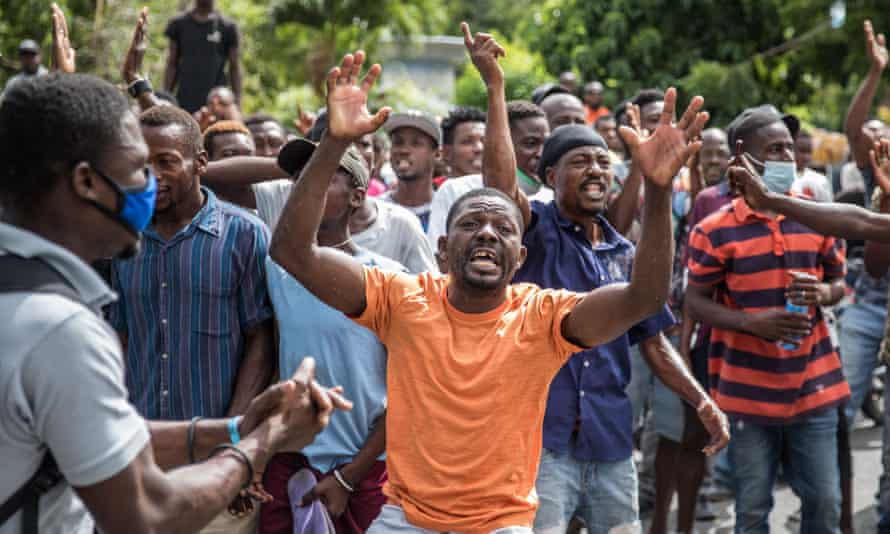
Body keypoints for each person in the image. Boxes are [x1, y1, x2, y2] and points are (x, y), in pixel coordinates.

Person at [274, 17, 713, 528]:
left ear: (520, 256)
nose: (487, 233)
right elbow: (292, 253)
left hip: (500, 523)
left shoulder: (543, 317)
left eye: (503, 227)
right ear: (442, 250)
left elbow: (643, 299)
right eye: (471, 224)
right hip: (407, 519)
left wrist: (658, 191)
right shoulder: (400, 298)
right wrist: (333, 146)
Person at [0, 70, 348, 534]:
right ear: (87, 182)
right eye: (136, 167)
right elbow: (148, 513)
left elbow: (102, 436)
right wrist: (266, 440)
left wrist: (232, 430)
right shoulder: (60, 331)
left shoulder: (28, 297)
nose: (150, 183)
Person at [467, 30, 727, 534]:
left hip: (611, 444)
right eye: (581, 161)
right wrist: (495, 89)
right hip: (542, 443)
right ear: (548, 177)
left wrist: (700, 398)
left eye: (604, 163)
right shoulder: (535, 235)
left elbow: (653, 340)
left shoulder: (627, 253)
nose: (596, 171)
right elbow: (499, 188)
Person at [685, 104, 849, 534]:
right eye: (774, 149)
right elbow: (694, 301)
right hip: (746, 395)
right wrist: (751, 322)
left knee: (824, 503)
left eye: (789, 150)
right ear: (744, 158)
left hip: (815, 386)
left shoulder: (815, 215)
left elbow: (839, 283)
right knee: (753, 509)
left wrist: (822, 294)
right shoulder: (714, 229)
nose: (786, 159)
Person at [261, 141, 402, 534]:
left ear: (358, 196)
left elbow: (408, 390)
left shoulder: (388, 278)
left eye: (324, 175)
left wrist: (348, 478)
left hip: (365, 466)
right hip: (291, 460)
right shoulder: (275, 270)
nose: (307, 185)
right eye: (300, 178)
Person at [109, 104, 275, 423]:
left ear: (200, 163)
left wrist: (233, 428)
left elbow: (262, 338)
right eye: (142, 163)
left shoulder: (244, 235)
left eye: (166, 162)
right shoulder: (123, 237)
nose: (152, 176)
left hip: (217, 439)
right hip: (143, 436)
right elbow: (122, 334)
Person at [427, 100, 553, 249]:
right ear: (502, 146)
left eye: (546, 144)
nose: (541, 153)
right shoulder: (455, 190)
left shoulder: (552, 198)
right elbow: (436, 256)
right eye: (530, 143)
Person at [164, 0, 241, 113]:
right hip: (185, 99)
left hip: (216, 102)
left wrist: (237, 100)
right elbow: (172, 63)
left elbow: (234, 67)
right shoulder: (178, 24)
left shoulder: (227, 26)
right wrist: (166, 96)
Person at [379, 110, 441, 231]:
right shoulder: (376, 210)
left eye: (416, 143)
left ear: (437, 154)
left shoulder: (447, 210)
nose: (404, 150)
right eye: (398, 142)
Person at [439, 106, 486, 181]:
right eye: (468, 142)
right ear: (447, 153)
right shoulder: (435, 191)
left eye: (485, 141)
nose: (480, 148)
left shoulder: (504, 189)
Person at [792, 129, 833, 202]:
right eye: (802, 151)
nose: (806, 156)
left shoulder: (820, 180)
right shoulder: (783, 178)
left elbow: (828, 207)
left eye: (809, 152)